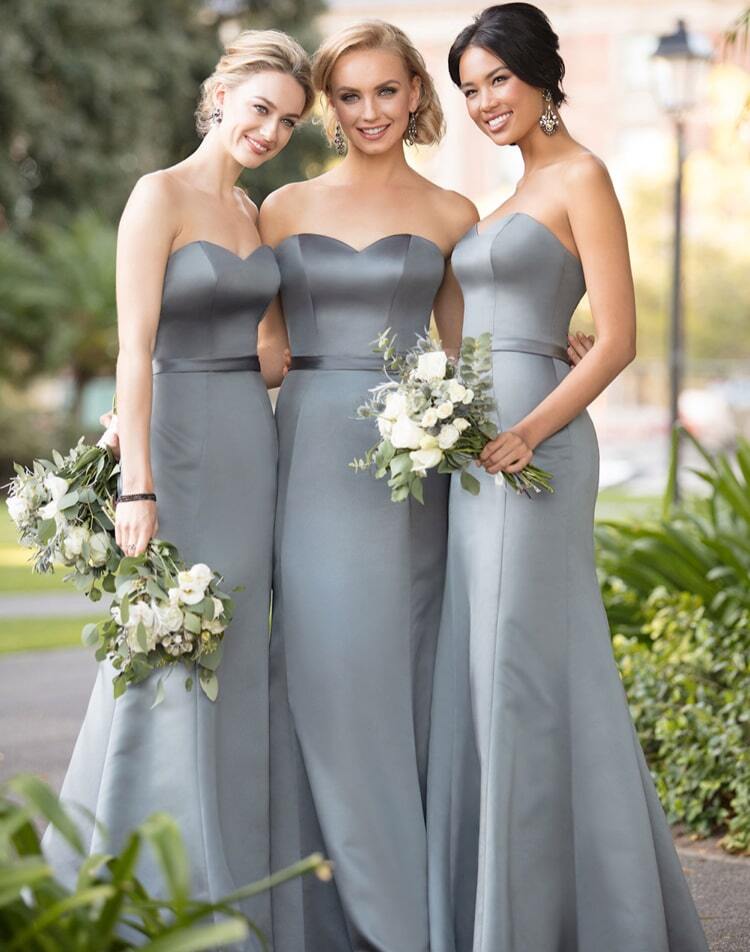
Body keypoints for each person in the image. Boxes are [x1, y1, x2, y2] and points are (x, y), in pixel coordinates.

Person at [427, 5, 709, 951]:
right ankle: (526, 906)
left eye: (497, 80)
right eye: (469, 90)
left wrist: (529, 429)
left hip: (536, 456)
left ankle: (530, 923)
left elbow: (621, 341)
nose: (483, 103)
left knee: (520, 672)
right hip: (479, 458)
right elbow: (487, 327)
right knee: (500, 670)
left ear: (543, 73)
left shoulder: (582, 175)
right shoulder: (502, 202)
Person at [43, 31, 314, 948]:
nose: (272, 130)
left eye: (288, 120)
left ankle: (227, 889)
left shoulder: (258, 212)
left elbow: (274, 353)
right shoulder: (157, 196)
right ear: (221, 95)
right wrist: (137, 483)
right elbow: (134, 345)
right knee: (162, 656)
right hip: (174, 457)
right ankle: (136, 883)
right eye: (261, 108)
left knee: (232, 659)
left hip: (252, 447)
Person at [256, 19, 477, 951]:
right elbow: (260, 348)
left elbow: (473, 357)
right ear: (329, 105)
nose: (369, 111)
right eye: (349, 95)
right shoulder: (281, 206)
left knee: (398, 678)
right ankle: (328, 912)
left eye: (387, 91)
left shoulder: (454, 214)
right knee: (319, 671)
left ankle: (410, 912)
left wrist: (557, 346)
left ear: (417, 94)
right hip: (307, 461)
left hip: (405, 476)